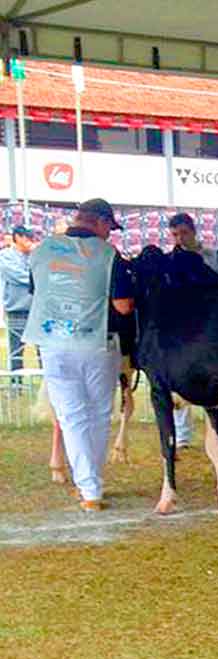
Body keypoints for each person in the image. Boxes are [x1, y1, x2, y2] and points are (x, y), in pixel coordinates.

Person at [24, 199, 134, 511]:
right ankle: (90, 486)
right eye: (109, 228)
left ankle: (90, 488)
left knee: (71, 417)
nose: (109, 235)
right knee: (98, 413)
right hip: (97, 343)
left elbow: (38, 293)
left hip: (52, 343)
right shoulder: (110, 255)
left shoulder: (43, 250)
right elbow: (123, 305)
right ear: (99, 222)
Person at [167, 213, 218, 450]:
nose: (180, 238)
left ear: (194, 231)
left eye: (184, 233)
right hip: (181, 329)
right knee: (179, 380)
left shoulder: (213, 256)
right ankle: (182, 436)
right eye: (175, 234)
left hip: (212, 326)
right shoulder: (170, 260)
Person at [0, 225, 38, 376]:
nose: (30, 241)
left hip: (36, 307)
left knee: (42, 347)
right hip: (17, 308)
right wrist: (37, 279)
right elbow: (18, 276)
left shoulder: (34, 255)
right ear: (17, 237)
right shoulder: (5, 256)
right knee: (16, 350)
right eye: (27, 237)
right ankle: (16, 384)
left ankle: (46, 382)